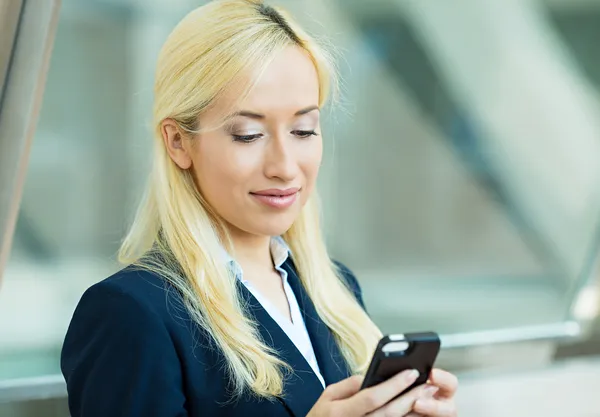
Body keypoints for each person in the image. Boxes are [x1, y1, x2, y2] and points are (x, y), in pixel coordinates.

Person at [60, 1, 458, 416]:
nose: (285, 167)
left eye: (304, 130)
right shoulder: (130, 313)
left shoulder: (334, 291)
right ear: (178, 142)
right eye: (249, 135)